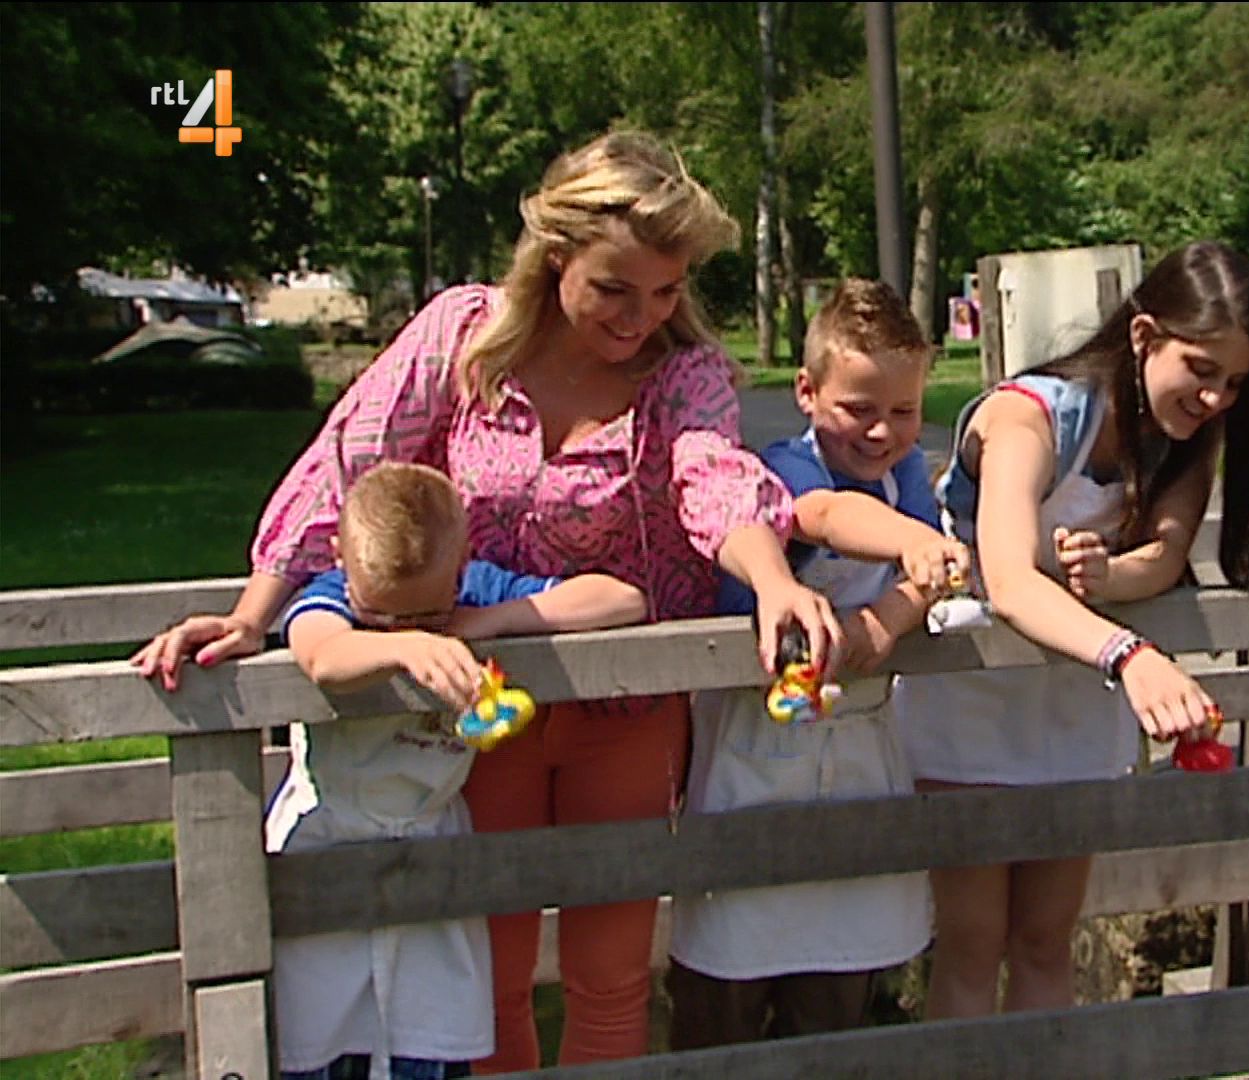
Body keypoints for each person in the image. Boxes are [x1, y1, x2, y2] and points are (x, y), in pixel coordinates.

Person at [131, 129, 843, 1070]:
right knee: (492, 972)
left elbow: (712, 474)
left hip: (624, 706)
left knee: (610, 973)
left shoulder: (683, 373)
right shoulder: (463, 337)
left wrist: (774, 578)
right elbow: (349, 463)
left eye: (667, 290)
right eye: (614, 289)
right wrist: (253, 614)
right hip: (477, 706)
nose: (641, 316)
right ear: (555, 258)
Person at [892, 241, 1249, 1017]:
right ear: (1144, 336)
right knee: (972, 943)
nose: (1216, 398)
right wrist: (1129, 654)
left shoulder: (1185, 440)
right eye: (1201, 370)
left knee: (1045, 940)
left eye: (1234, 382)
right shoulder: (1027, 418)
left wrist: (1108, 577)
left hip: (1073, 707)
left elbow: (1164, 555)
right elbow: (1011, 580)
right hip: (976, 700)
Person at [269, 462, 652, 1080]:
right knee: (317, 1038)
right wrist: (406, 646)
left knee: (425, 1037)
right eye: (382, 615)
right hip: (328, 844)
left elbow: (622, 599)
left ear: (461, 563)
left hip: (432, 853)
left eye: (426, 614)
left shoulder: (473, 591)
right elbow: (323, 655)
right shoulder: (329, 597)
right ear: (339, 557)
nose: (404, 627)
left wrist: (492, 621)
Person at [666, 279, 969, 1047]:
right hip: (754, 753)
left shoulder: (907, 475)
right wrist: (914, 545)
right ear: (807, 392)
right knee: (726, 990)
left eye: (904, 411)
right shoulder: (783, 470)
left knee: (837, 990)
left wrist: (886, 617)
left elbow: (923, 585)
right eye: (858, 409)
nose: (882, 432)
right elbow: (826, 517)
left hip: (858, 749)